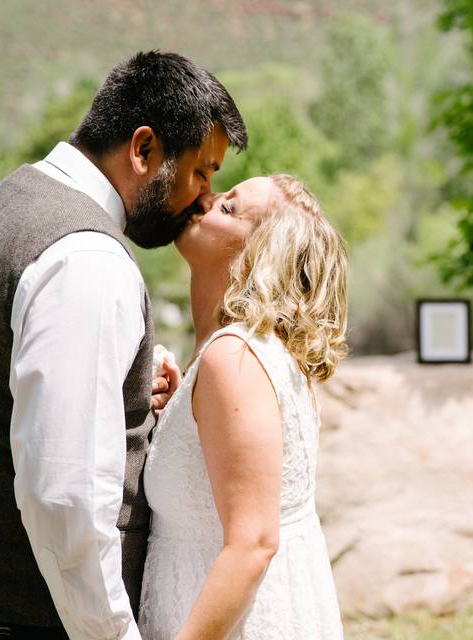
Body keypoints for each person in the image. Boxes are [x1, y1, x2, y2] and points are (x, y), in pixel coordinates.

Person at [0, 51, 246, 639]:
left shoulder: (6, 202)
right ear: (144, 150)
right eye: (201, 171)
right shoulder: (86, 258)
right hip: (7, 619)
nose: (204, 197)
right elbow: (65, 496)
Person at [138, 174, 348, 640]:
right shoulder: (238, 354)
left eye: (229, 208)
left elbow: (253, 544)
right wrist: (180, 420)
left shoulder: (232, 358)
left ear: (255, 259)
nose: (205, 200)